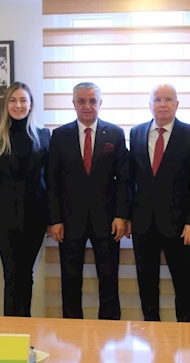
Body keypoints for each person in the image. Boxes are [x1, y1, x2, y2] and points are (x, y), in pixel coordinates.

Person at [46, 82, 130, 320]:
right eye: (81, 101)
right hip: (69, 220)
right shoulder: (60, 135)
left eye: (92, 101)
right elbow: (52, 181)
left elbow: (124, 179)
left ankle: (109, 331)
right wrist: (54, 220)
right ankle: (72, 331)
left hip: (108, 220)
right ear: (73, 104)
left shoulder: (115, 134)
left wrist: (121, 215)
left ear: (100, 103)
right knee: (70, 280)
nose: (87, 106)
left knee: (109, 279)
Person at [129, 83, 190, 323]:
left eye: (168, 99)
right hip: (142, 223)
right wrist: (128, 216)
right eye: (158, 99)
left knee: (182, 284)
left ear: (177, 104)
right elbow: (130, 180)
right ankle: (151, 333)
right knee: (146, 283)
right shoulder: (136, 133)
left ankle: (187, 334)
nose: (163, 104)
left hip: (179, 224)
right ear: (150, 104)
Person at [0, 82, 51, 317]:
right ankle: (10, 328)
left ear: (31, 105)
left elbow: (50, 180)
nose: (18, 105)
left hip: (35, 214)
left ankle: (25, 326)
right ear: (6, 105)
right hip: (5, 215)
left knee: (26, 273)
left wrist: (52, 218)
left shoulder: (43, 135)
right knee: (11, 274)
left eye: (23, 100)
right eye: (13, 100)